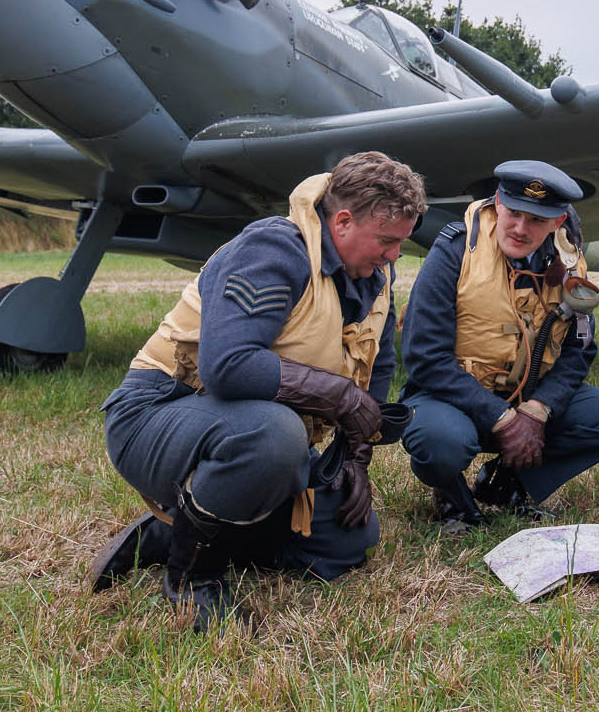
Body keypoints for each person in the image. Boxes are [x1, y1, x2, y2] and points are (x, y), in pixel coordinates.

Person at [88, 151, 426, 628]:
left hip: (243, 424)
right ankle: (192, 579)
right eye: (387, 241)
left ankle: (171, 534)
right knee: (275, 436)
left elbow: (377, 368)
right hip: (156, 414)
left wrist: (354, 458)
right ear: (344, 221)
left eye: (400, 245)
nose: (394, 255)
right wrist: (341, 398)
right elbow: (228, 366)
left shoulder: (375, 275)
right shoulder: (273, 249)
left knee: (347, 541)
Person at [400, 160, 599, 531]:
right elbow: (424, 357)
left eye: (537, 221)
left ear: (558, 222)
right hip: (452, 398)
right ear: (497, 202)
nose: (520, 229)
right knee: (440, 441)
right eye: (513, 213)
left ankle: (508, 484)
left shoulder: (569, 263)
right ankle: (451, 495)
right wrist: (502, 417)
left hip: (529, 401)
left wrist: (539, 410)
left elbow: (579, 351)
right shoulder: (454, 251)